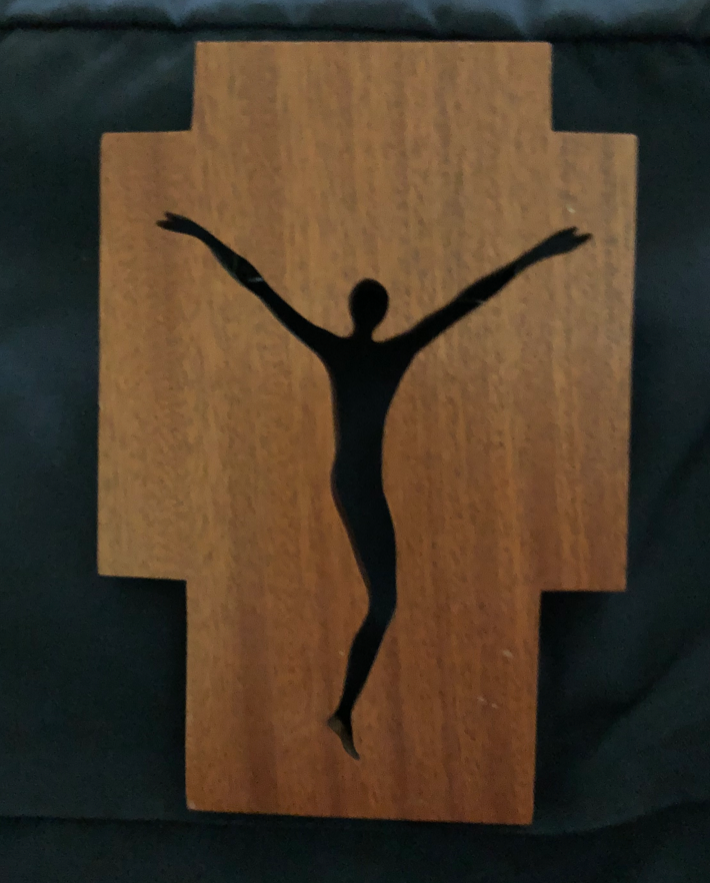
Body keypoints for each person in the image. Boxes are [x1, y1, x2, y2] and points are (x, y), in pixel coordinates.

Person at [158, 212, 591, 759]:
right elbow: (468, 301)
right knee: (384, 603)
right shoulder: (392, 354)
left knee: (385, 603)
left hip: (356, 480)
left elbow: (257, 284)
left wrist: (202, 234)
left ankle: (344, 711)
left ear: (353, 310)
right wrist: (535, 255)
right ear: (382, 313)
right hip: (358, 485)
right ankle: (342, 711)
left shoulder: (341, 350)